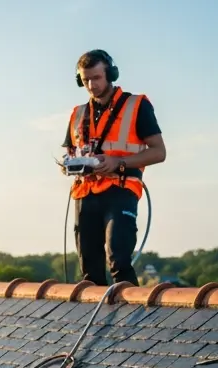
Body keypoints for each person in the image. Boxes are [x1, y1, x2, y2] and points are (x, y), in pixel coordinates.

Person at [63, 50, 167, 285]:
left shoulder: (136, 105)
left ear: (110, 74)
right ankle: (97, 321)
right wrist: (69, 165)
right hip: (85, 193)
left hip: (121, 189)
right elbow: (71, 150)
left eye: (97, 78)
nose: (91, 85)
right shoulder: (77, 113)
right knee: (89, 271)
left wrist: (116, 162)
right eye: (86, 79)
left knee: (118, 260)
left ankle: (133, 320)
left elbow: (159, 152)